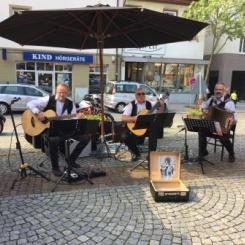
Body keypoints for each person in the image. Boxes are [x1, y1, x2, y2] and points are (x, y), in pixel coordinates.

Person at [27, 83, 91, 177]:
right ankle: (55, 168)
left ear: (68, 93)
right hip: (50, 130)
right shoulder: (48, 99)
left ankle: (71, 160)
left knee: (86, 138)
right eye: (60, 92)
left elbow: (72, 118)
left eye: (64, 92)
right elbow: (30, 103)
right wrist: (38, 112)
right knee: (54, 140)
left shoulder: (70, 104)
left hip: (64, 130)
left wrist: (78, 116)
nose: (62, 94)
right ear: (56, 91)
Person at [121, 88, 165, 161]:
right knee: (125, 137)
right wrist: (135, 118)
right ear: (136, 96)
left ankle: (151, 155)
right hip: (134, 128)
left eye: (143, 94)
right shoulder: (131, 105)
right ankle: (136, 153)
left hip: (145, 128)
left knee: (154, 130)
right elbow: (123, 118)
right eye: (139, 94)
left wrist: (162, 105)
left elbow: (157, 114)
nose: (141, 95)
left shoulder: (149, 104)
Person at [199, 82, 236, 162]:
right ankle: (203, 151)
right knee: (201, 131)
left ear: (224, 90)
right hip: (211, 126)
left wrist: (230, 119)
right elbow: (204, 106)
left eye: (220, 89)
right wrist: (203, 108)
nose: (218, 91)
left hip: (223, 128)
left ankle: (231, 153)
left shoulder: (229, 102)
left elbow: (232, 117)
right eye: (216, 89)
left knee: (223, 138)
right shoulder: (211, 99)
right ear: (214, 90)